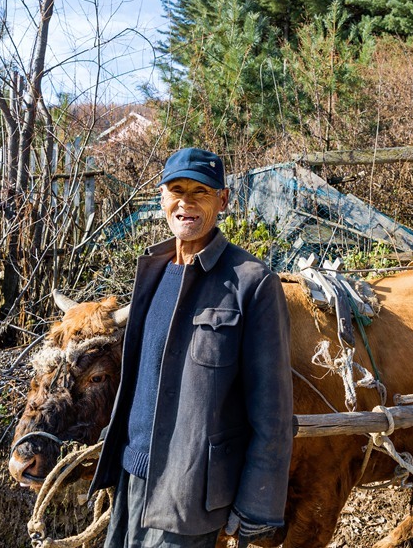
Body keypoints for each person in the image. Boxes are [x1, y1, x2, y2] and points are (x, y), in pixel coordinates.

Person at [89, 147, 293, 548]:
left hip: (189, 493)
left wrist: (257, 504)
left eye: (201, 191)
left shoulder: (252, 283)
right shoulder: (153, 270)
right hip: (131, 478)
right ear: (162, 197)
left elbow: (274, 413)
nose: (186, 202)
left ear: (223, 200)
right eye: (176, 190)